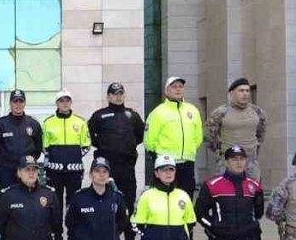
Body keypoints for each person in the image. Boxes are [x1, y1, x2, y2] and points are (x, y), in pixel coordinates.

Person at [88, 82, 145, 214]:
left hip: (127, 166)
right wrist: (104, 146)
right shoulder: (99, 115)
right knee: (105, 202)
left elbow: (141, 136)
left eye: (120, 93)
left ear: (124, 95)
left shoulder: (132, 115)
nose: (117, 97)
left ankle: (129, 234)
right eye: (114, 94)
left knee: (128, 202)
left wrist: (128, 145)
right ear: (108, 97)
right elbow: (90, 136)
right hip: (107, 167)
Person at [143, 76, 203, 199]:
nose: (178, 89)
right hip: (166, 164)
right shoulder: (158, 112)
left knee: (185, 198)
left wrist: (189, 150)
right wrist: (158, 156)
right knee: (164, 198)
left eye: (180, 86)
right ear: (166, 91)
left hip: (187, 163)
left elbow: (198, 136)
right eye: (174, 86)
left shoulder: (192, 110)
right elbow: (149, 139)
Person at [205, 78, 267, 179]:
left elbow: (261, 134)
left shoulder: (257, 112)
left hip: (250, 161)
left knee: (252, 192)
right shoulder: (220, 112)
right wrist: (220, 152)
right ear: (231, 93)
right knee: (226, 192)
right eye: (241, 90)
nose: (245, 94)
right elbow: (209, 136)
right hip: (228, 161)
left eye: (247, 91)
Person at [42, 90, 90, 213]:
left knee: (74, 203)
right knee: (54, 202)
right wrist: (54, 157)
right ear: (56, 103)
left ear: (71, 102)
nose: (64, 103)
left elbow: (86, 145)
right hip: (54, 171)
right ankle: (56, 232)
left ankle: (73, 231)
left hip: (74, 170)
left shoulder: (80, 122)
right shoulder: (48, 122)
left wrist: (74, 156)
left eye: (67, 100)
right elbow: (44, 146)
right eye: (61, 101)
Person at [0, 89, 42, 192]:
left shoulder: (33, 124)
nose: (18, 104)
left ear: (24, 103)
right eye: (15, 101)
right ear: (10, 103)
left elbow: (38, 148)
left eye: (21, 101)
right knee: (6, 201)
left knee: (27, 200)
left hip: (27, 170)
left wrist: (28, 164)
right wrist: (2, 165)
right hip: (6, 172)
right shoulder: (1, 124)